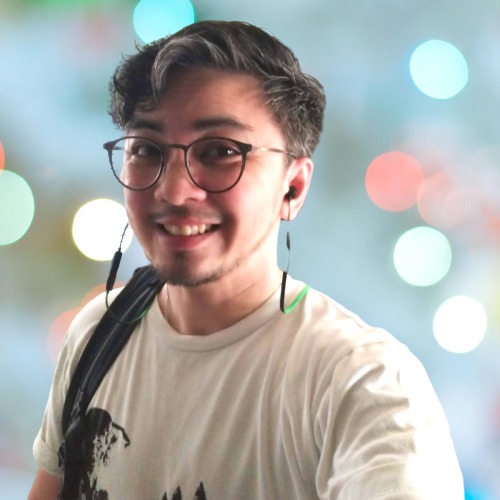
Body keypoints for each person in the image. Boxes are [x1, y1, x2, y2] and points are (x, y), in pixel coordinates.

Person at [29, 20, 464, 500]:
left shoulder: (363, 383)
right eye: (147, 150)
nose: (173, 190)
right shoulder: (98, 332)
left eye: (220, 152)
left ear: (292, 187)